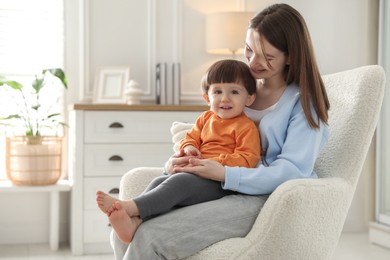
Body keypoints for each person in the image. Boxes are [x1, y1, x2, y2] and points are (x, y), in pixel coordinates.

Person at [110, 3, 330, 259]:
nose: (253, 62)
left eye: (267, 56)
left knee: (149, 237)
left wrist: (226, 174)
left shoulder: (303, 104)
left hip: (263, 198)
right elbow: (206, 137)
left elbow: (293, 170)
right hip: (219, 185)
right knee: (123, 231)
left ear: (290, 56)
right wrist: (174, 164)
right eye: (249, 50)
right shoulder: (239, 90)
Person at [97, 59, 261, 243]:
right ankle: (136, 222)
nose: (225, 98)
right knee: (160, 181)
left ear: (249, 98)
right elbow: (190, 138)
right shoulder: (205, 119)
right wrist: (189, 148)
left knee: (180, 182)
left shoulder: (246, 127)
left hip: (220, 182)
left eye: (234, 92)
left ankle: (132, 207)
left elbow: (248, 158)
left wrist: (216, 163)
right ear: (207, 97)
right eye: (217, 92)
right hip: (196, 172)